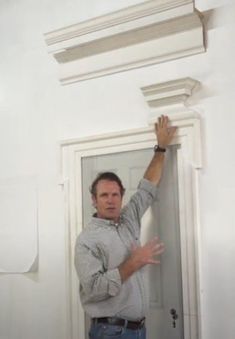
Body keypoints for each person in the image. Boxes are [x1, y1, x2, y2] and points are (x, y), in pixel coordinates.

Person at [74, 115, 176, 339]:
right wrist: (134, 261)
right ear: (94, 199)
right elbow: (95, 288)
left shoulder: (128, 219)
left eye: (115, 194)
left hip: (139, 330)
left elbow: (147, 188)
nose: (110, 200)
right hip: (110, 332)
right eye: (104, 195)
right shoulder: (87, 240)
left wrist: (160, 148)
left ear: (121, 197)